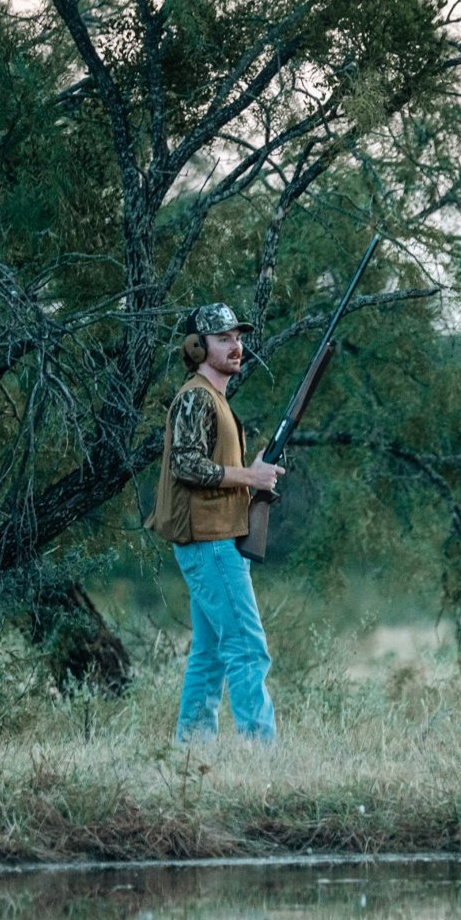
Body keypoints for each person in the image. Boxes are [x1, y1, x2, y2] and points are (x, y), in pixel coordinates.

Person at [146, 302, 285, 743]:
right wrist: (249, 475)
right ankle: (262, 752)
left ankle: (191, 753)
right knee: (247, 648)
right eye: (223, 338)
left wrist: (255, 470)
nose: (236, 346)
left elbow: (212, 465)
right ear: (197, 346)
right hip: (209, 541)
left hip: (217, 539)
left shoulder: (213, 399)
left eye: (238, 338)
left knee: (210, 656)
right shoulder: (195, 396)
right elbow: (187, 465)